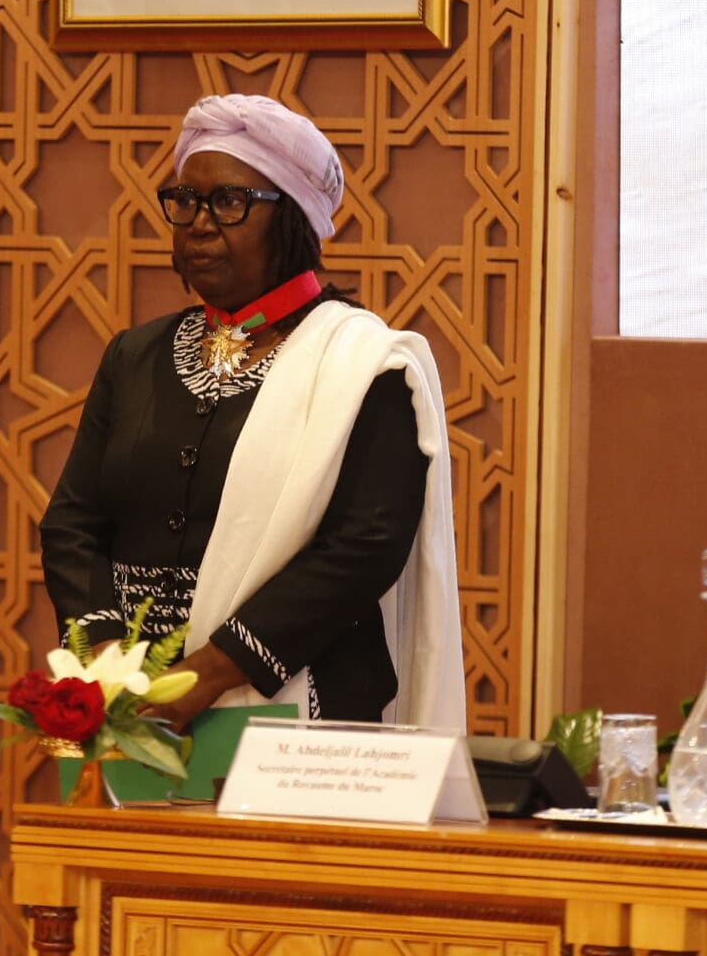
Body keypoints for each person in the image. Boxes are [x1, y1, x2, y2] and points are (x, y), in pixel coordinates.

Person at [38, 93, 462, 730]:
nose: (200, 223)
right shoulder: (134, 354)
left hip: (302, 699)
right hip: (132, 704)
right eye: (184, 200)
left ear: (292, 219)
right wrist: (106, 661)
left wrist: (205, 677)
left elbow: (364, 548)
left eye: (230, 202)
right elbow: (72, 523)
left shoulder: (365, 365)